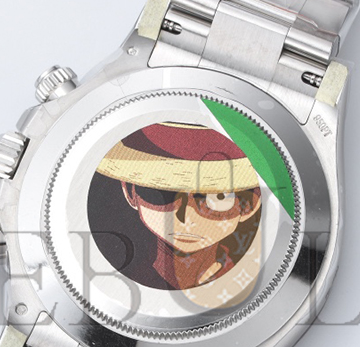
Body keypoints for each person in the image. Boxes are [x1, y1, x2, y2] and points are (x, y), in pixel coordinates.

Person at [92, 122, 262, 292]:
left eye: (217, 196)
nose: (185, 218)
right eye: (162, 193)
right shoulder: (118, 279)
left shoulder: (252, 275)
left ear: (250, 204)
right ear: (130, 192)